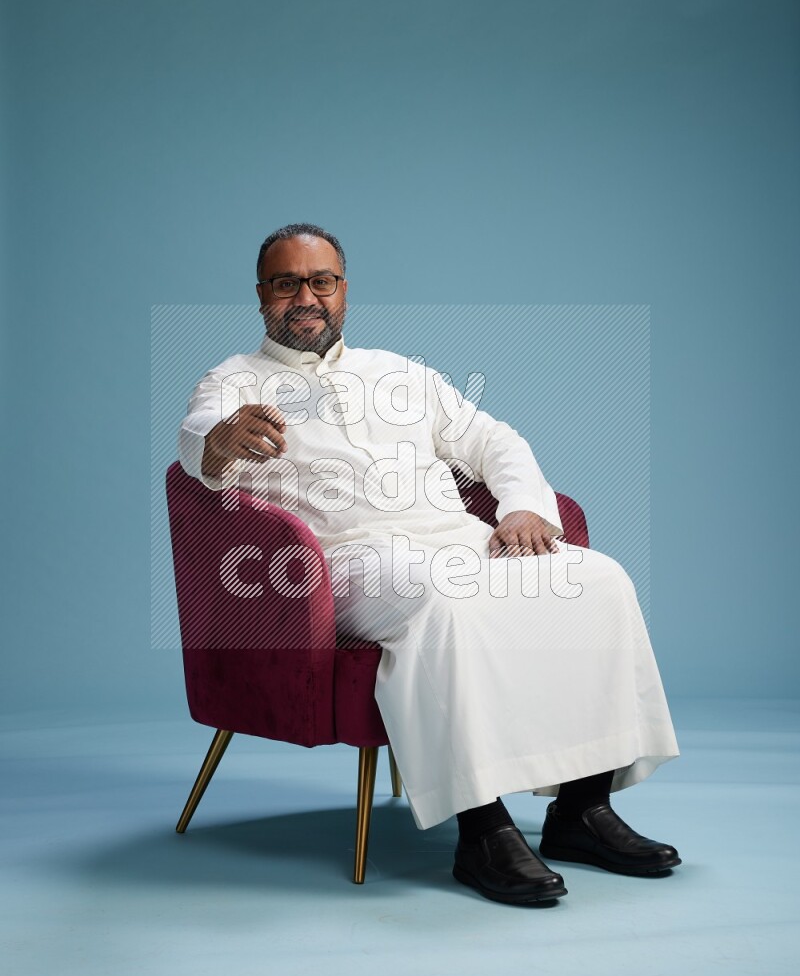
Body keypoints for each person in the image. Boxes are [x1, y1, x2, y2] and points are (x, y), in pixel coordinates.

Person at [178, 222, 681, 906]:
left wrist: (523, 509)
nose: (306, 296)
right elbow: (196, 454)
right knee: (445, 600)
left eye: (320, 281)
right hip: (344, 564)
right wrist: (219, 441)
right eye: (287, 282)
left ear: (343, 291)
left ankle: (582, 811)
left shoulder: (401, 373)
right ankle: (482, 831)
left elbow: (493, 440)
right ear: (261, 295)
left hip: (456, 535)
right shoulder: (232, 380)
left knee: (599, 580)